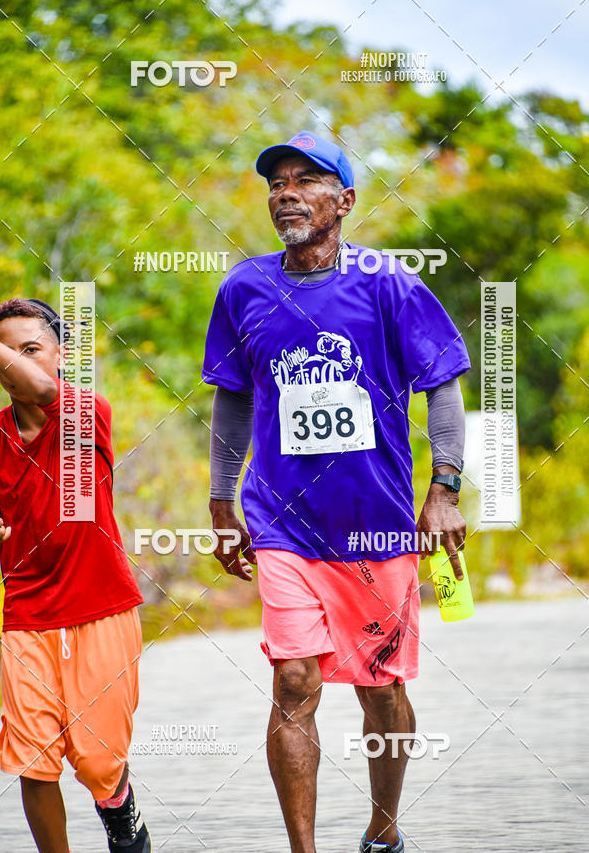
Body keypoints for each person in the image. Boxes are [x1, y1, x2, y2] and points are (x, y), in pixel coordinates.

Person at [203, 131, 471, 853]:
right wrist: (220, 499)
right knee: (293, 679)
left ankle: (383, 828)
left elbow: (442, 384)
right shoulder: (244, 288)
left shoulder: (389, 282)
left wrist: (445, 485)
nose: (284, 191)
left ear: (345, 202)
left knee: (378, 689)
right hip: (282, 521)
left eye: (305, 180)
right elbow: (230, 399)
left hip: (376, 524)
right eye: (276, 182)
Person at [0, 298, 151, 853]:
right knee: (34, 762)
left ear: (60, 355)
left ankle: (117, 802)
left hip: (101, 607)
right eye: (4, 353)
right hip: (27, 615)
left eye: (29, 349)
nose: (16, 363)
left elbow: (38, 389)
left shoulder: (85, 412)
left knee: (99, 759)